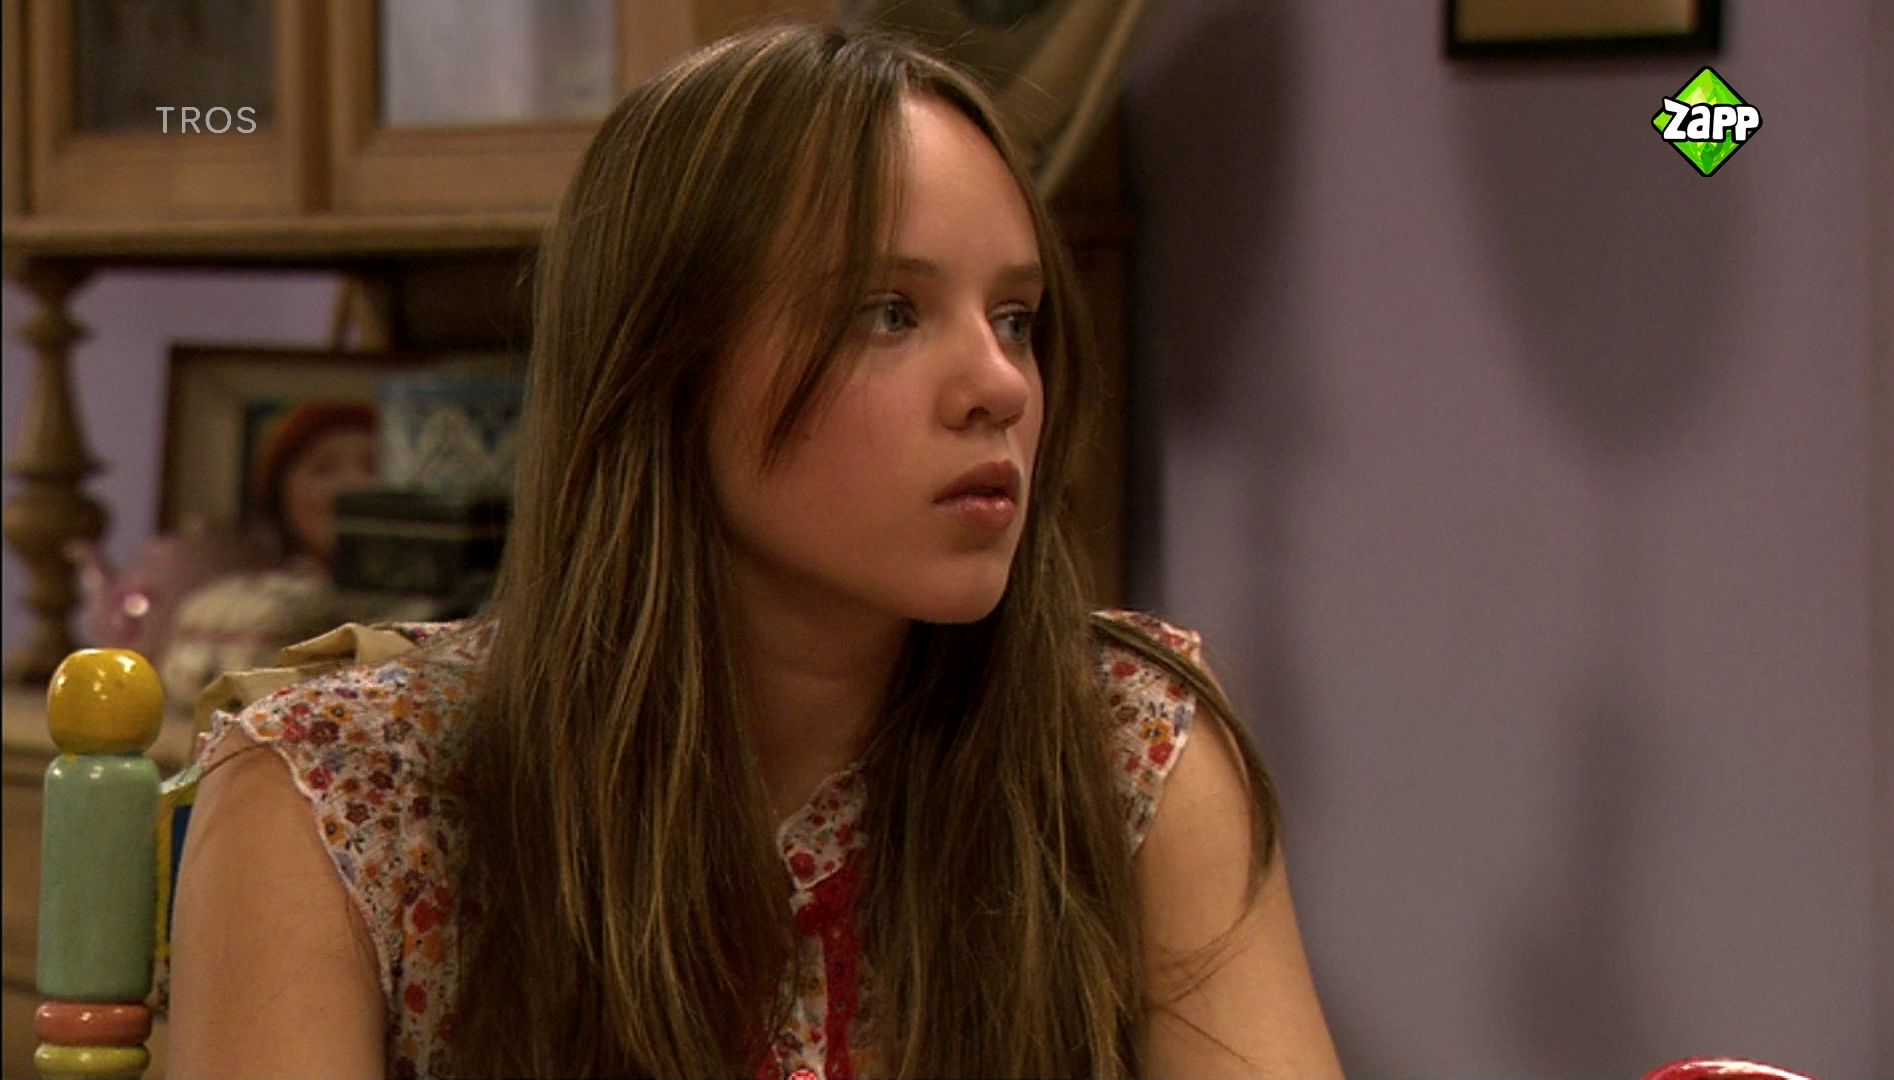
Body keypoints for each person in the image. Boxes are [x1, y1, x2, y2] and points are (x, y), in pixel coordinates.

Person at [161, 22, 1342, 1079]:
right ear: (666, 366)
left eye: (1016, 319)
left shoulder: (1125, 743)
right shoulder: (340, 794)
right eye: (890, 312)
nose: (1000, 386)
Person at [248, 401, 381, 568]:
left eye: (372, 467)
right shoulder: (239, 584)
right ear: (279, 492)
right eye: (323, 469)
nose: (352, 484)